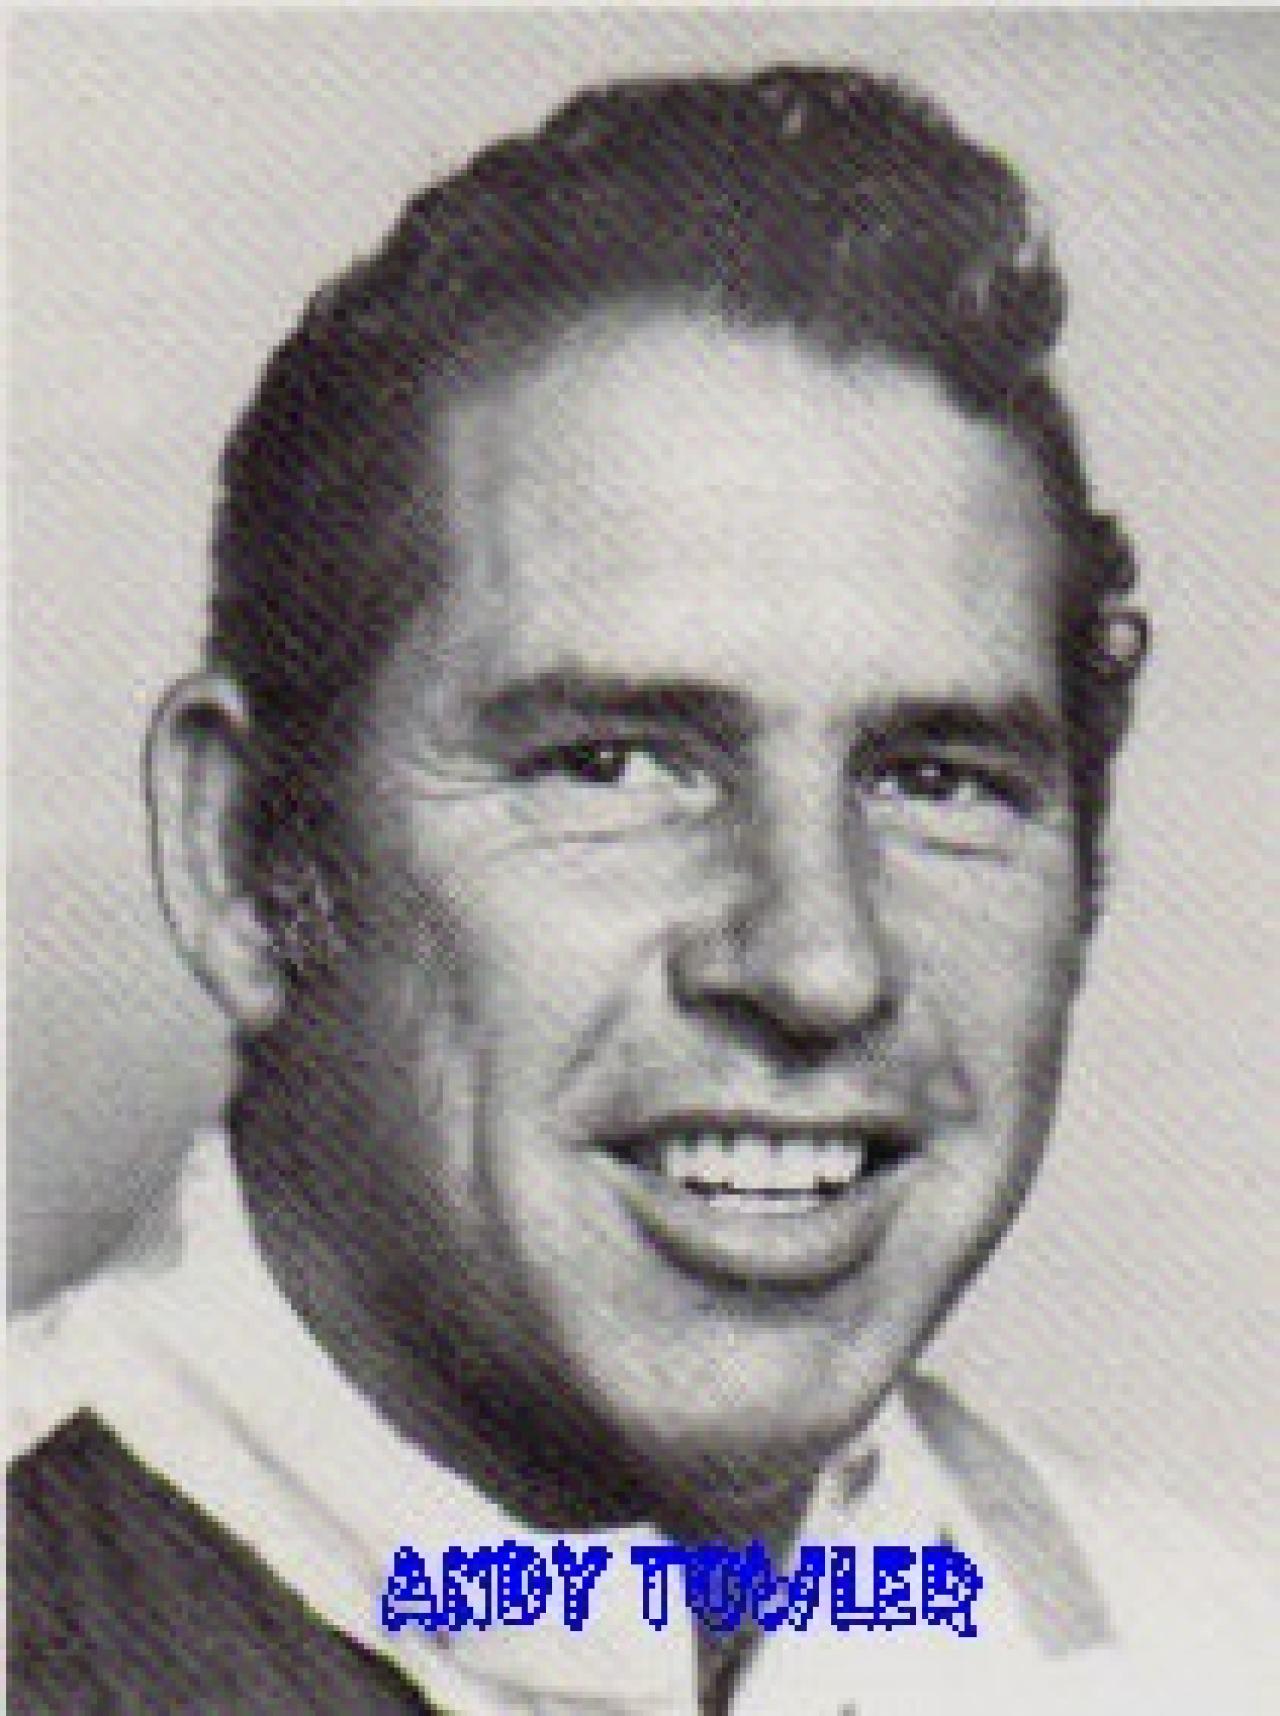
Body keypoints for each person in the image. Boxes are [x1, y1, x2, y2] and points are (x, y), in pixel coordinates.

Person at [8, 64, 1267, 1714]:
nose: (817, 962)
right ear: (245, 858)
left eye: (937, 780)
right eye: (611, 764)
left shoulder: (1209, 1655)